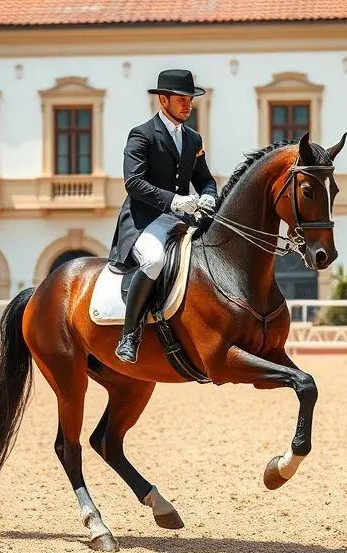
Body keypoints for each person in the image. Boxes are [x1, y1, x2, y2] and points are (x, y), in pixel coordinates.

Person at [108, 69, 219, 364]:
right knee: (155, 260)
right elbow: (133, 183)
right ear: (163, 100)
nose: (188, 105)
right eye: (181, 99)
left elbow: (205, 178)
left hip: (182, 218)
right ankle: (129, 336)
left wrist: (209, 195)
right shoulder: (142, 135)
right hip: (145, 219)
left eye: (190, 100)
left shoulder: (193, 139)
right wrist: (175, 201)